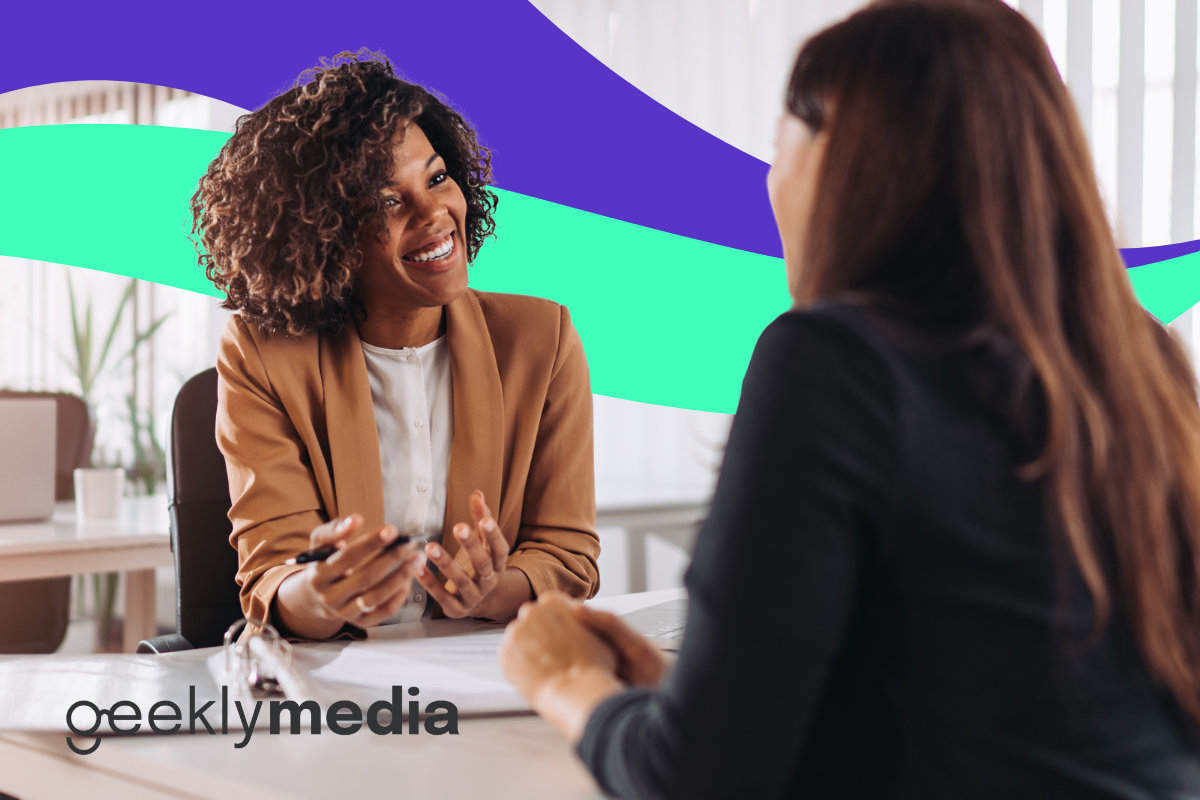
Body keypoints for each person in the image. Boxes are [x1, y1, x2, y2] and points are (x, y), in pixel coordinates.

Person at [499, 1, 1200, 797]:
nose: (768, 182)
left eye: (774, 148)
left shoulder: (834, 362)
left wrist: (565, 682)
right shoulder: (1135, 356)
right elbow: (997, 715)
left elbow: (694, 785)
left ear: (843, 157)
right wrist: (685, 698)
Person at [191, 51, 599, 641]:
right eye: (388, 201)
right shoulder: (262, 354)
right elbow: (272, 577)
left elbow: (567, 556)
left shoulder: (542, 339)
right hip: (338, 694)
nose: (435, 213)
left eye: (436, 178)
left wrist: (491, 590)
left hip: (488, 678)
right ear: (325, 234)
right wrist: (326, 593)